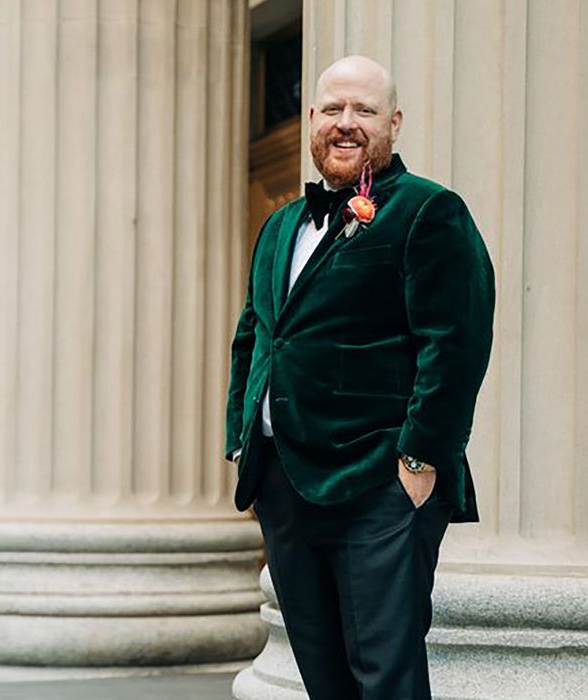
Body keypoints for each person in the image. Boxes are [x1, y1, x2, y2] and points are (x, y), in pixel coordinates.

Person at [225, 55, 495, 700]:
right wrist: (243, 437)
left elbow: (454, 345)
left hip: (378, 483)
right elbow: (254, 334)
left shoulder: (431, 212)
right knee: (323, 674)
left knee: (385, 673)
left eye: (365, 110)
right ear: (313, 119)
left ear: (393, 123)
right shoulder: (281, 224)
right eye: (334, 109)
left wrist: (419, 460)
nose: (346, 124)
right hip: (285, 483)